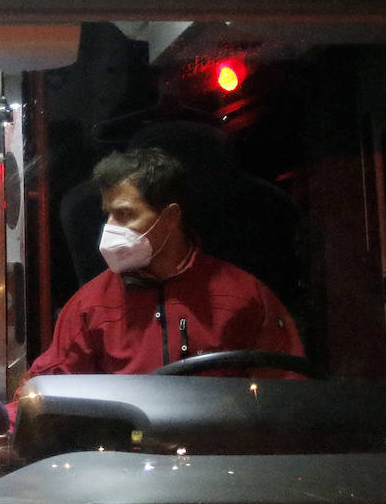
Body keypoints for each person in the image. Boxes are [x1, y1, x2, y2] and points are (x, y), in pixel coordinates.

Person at [28, 148, 303, 379]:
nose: (110, 228)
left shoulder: (245, 297)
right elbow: (46, 389)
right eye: (108, 215)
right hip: (126, 430)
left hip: (218, 429)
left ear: (170, 217)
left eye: (125, 214)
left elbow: (286, 393)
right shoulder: (90, 306)